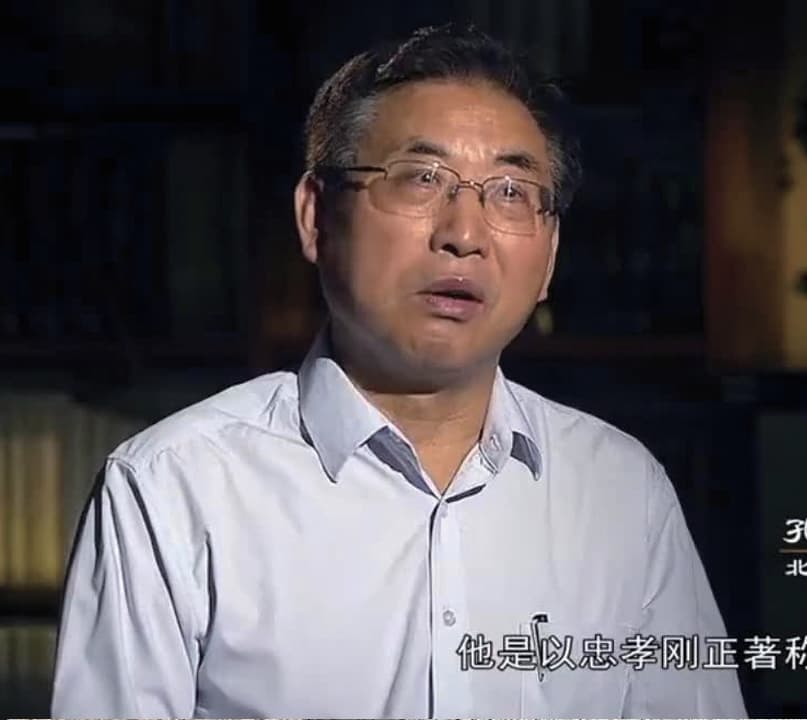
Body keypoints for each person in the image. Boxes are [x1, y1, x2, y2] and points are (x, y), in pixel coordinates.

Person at [50, 24, 746, 719]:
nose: (464, 235)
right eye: (421, 179)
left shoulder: (624, 492)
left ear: (551, 255)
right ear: (316, 217)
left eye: (510, 191)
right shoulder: (173, 488)